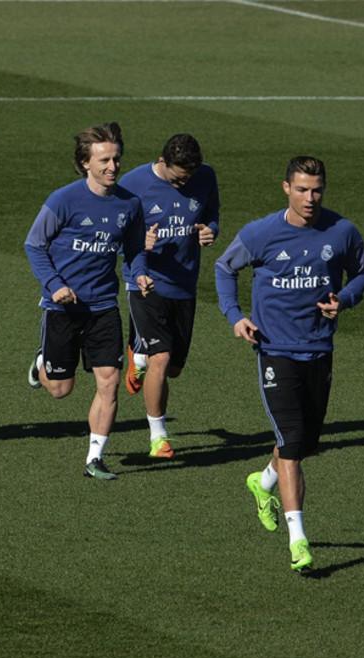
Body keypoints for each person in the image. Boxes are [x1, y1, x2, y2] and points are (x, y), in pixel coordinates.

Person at [214, 156, 364, 572]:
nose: (310, 197)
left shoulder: (342, 231)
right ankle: (298, 540)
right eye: (301, 189)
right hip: (275, 350)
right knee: (293, 446)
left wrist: (345, 299)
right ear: (285, 187)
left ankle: (261, 481)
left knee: (302, 442)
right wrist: (235, 317)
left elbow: (362, 273)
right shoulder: (261, 233)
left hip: (319, 350)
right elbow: (224, 267)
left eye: (317, 189)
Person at [24, 122, 149, 481]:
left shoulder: (130, 204)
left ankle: (95, 457)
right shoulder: (63, 200)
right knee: (60, 390)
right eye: (105, 160)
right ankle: (41, 363)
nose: (113, 167)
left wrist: (139, 273)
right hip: (62, 307)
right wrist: (54, 284)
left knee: (109, 380)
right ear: (85, 163)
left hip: (103, 307)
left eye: (117, 159)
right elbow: (34, 245)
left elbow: (135, 249)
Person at [118, 134, 221, 459]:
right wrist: (138, 244)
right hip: (145, 280)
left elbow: (212, 213)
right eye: (178, 177)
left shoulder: (206, 176)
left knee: (174, 368)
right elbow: (113, 233)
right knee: (160, 359)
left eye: (189, 177)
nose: (184, 183)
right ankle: (158, 436)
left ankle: (137, 348)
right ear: (162, 162)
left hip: (184, 285)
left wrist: (210, 231)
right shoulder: (133, 183)